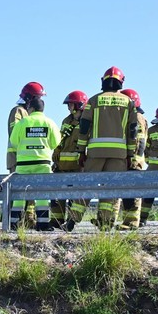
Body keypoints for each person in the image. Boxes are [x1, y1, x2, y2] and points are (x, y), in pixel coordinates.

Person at [75, 67, 138, 231]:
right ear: (121, 82)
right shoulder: (128, 102)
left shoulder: (93, 101)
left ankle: (73, 219)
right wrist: (131, 154)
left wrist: (81, 150)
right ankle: (105, 222)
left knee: (87, 185)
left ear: (103, 81)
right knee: (111, 187)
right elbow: (133, 131)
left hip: (95, 153)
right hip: (119, 154)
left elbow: (84, 127)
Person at [7, 97, 61, 221]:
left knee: (19, 194)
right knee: (42, 193)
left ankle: (14, 223)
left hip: (23, 164)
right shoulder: (50, 123)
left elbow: (13, 141)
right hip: (43, 163)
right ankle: (42, 224)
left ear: (31, 108)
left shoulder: (23, 122)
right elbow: (56, 142)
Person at [8, 82, 45, 228]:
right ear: (31, 98)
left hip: (29, 158)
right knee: (17, 192)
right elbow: (15, 134)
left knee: (30, 191)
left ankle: (29, 219)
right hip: (17, 158)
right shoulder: (18, 111)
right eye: (38, 97)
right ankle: (13, 222)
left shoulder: (31, 114)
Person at [53, 91, 88, 230]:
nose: (69, 107)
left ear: (79, 105)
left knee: (75, 196)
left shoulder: (87, 122)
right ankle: (56, 220)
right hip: (62, 165)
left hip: (78, 166)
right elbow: (60, 140)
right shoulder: (66, 121)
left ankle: (71, 221)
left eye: (71, 104)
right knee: (58, 194)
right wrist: (56, 155)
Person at [117, 88, 148, 230]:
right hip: (129, 159)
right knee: (127, 194)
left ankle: (132, 223)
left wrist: (133, 159)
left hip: (134, 161)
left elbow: (139, 141)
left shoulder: (137, 117)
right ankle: (127, 221)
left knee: (133, 194)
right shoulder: (132, 115)